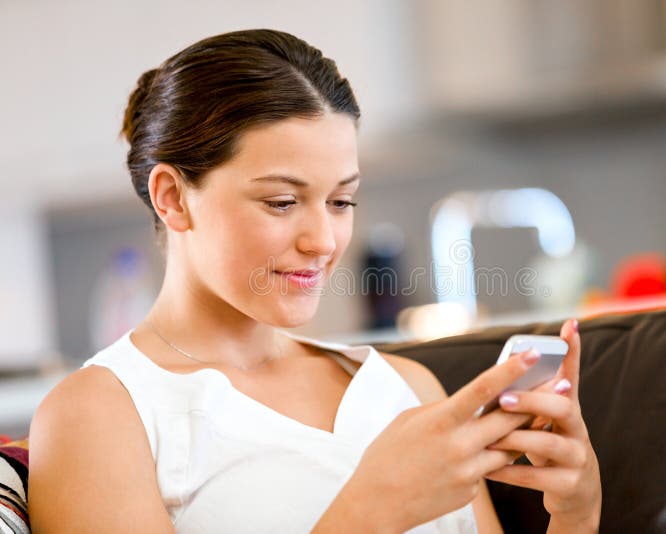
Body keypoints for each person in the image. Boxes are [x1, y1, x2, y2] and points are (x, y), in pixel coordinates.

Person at [27, 29, 601, 533]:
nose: (323, 241)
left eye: (341, 200)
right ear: (173, 198)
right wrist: (371, 512)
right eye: (281, 202)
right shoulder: (99, 415)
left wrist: (576, 514)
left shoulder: (408, 388)